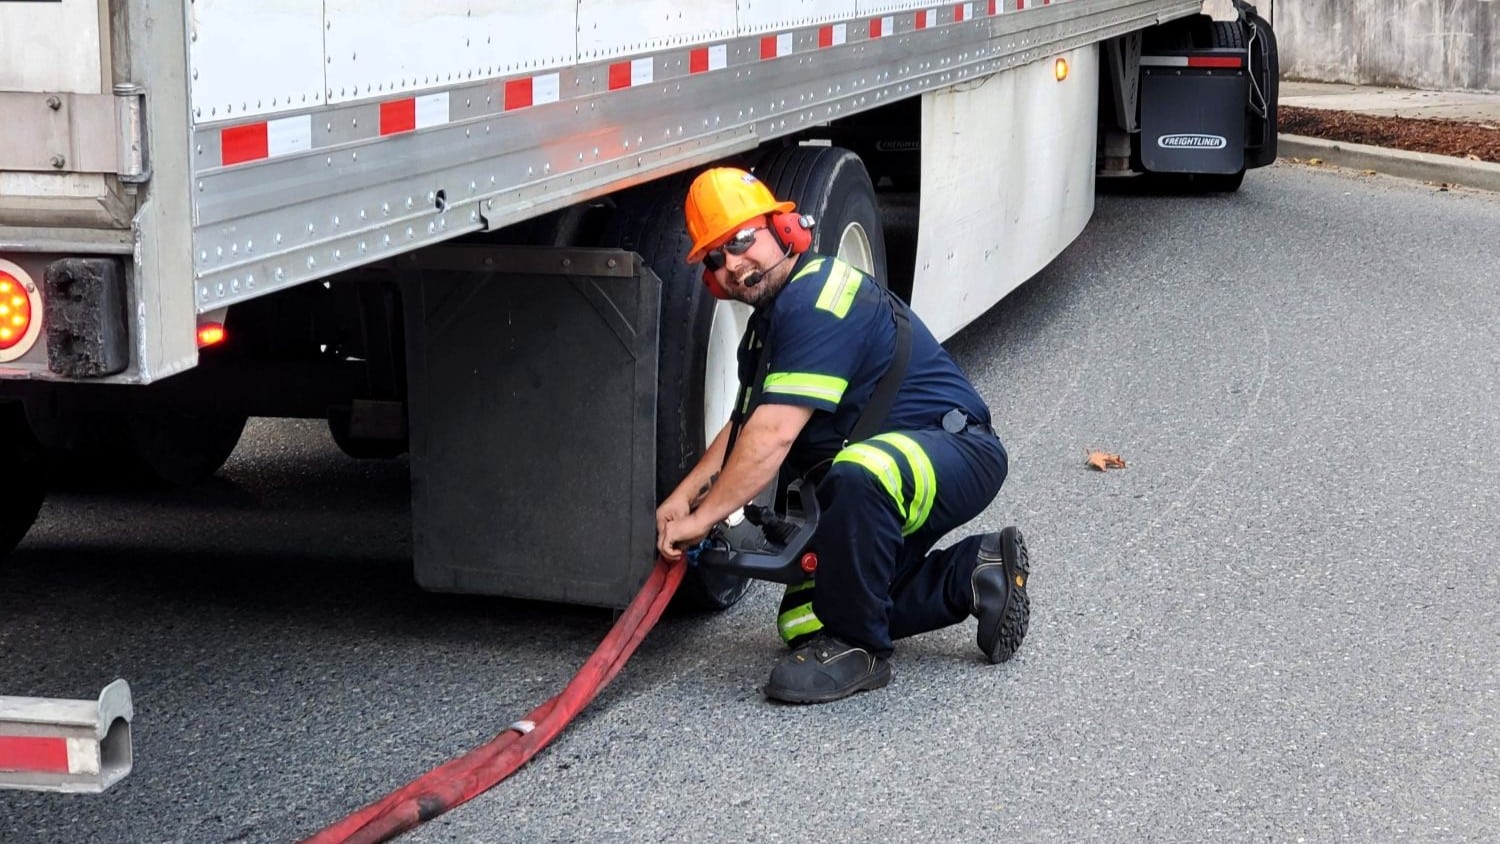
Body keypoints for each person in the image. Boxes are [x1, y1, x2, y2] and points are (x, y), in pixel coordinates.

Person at [655, 167, 1030, 704]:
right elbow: (742, 431)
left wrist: (702, 520)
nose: (733, 264)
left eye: (740, 240)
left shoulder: (817, 300)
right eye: (715, 258)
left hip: (954, 449)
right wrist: (682, 495)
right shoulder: (768, 326)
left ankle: (858, 649)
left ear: (782, 230)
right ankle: (976, 573)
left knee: (860, 474)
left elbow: (772, 438)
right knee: (805, 619)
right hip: (895, 470)